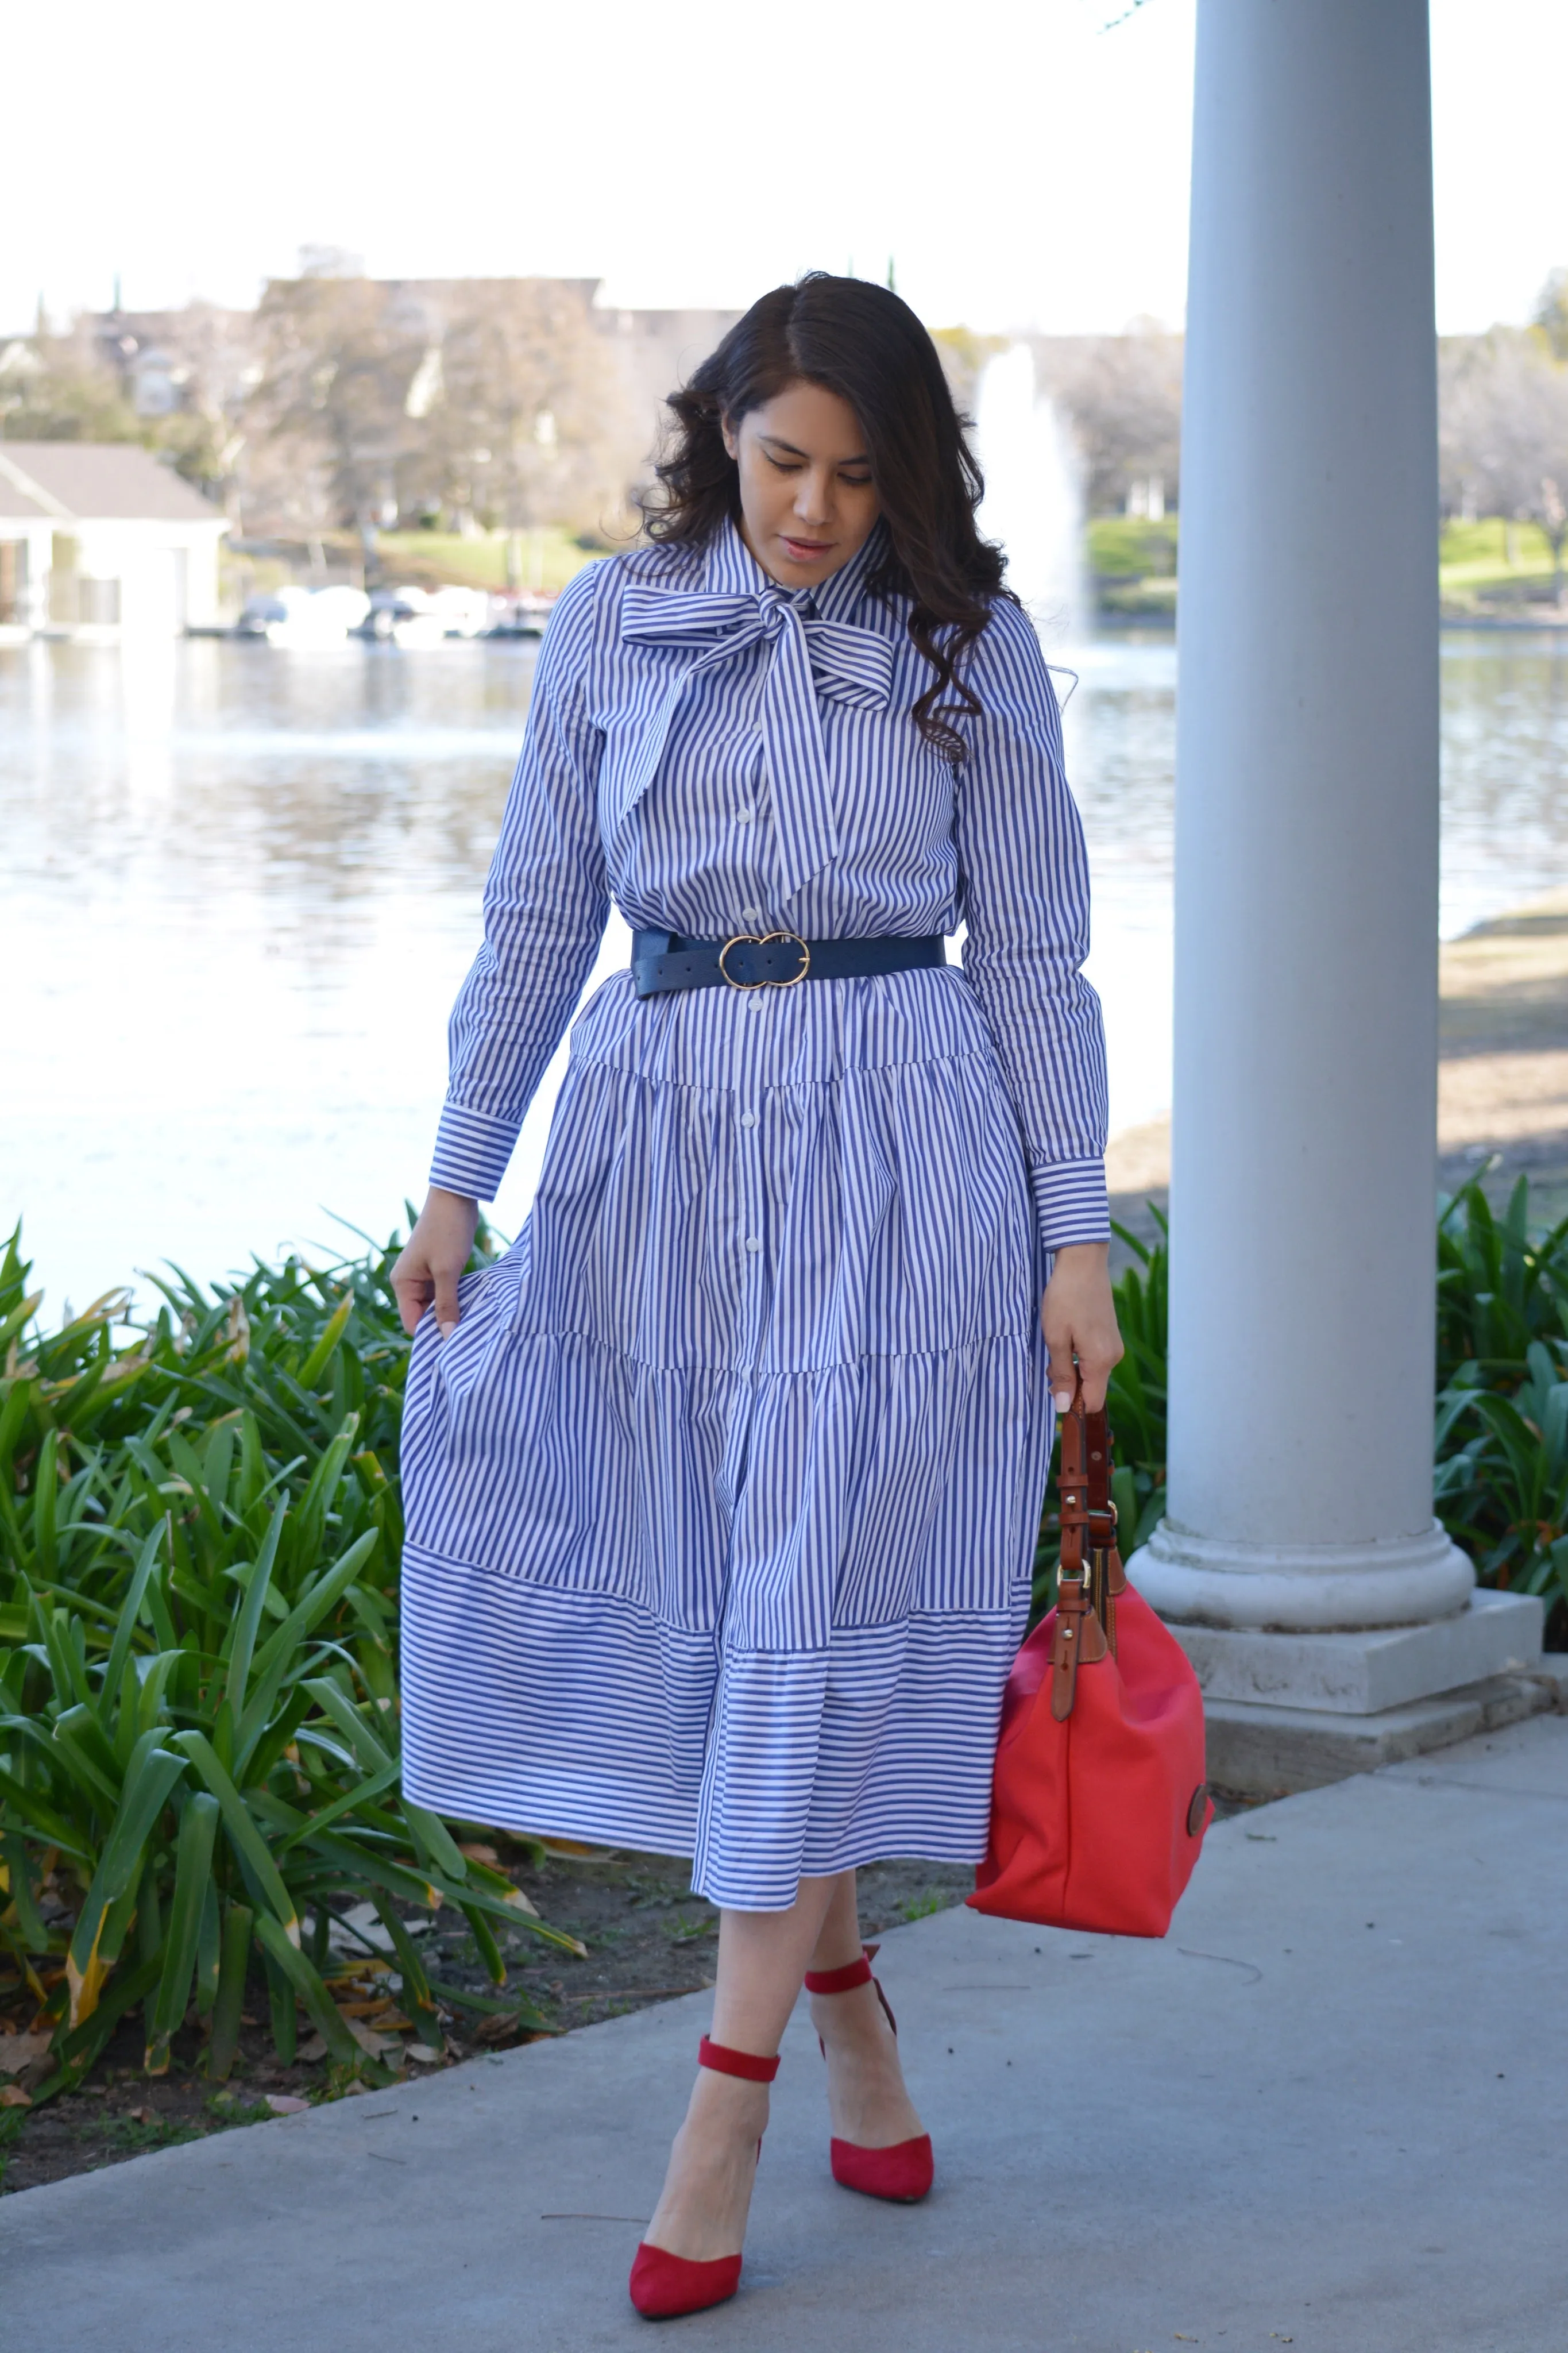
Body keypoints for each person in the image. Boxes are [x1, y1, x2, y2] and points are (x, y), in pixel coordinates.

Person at [391, 273, 1121, 2320]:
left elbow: (1039, 959)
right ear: (722, 429)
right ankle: (859, 2027)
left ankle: (720, 2120)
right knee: (730, 1611)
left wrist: (1078, 1234)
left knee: (814, 1596)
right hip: (658, 1154)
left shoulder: (973, 646)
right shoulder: (613, 625)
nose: (814, 507)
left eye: (861, 473)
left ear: (912, 478)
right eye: (786, 458)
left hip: (906, 1153)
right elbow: (538, 907)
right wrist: (460, 1180)